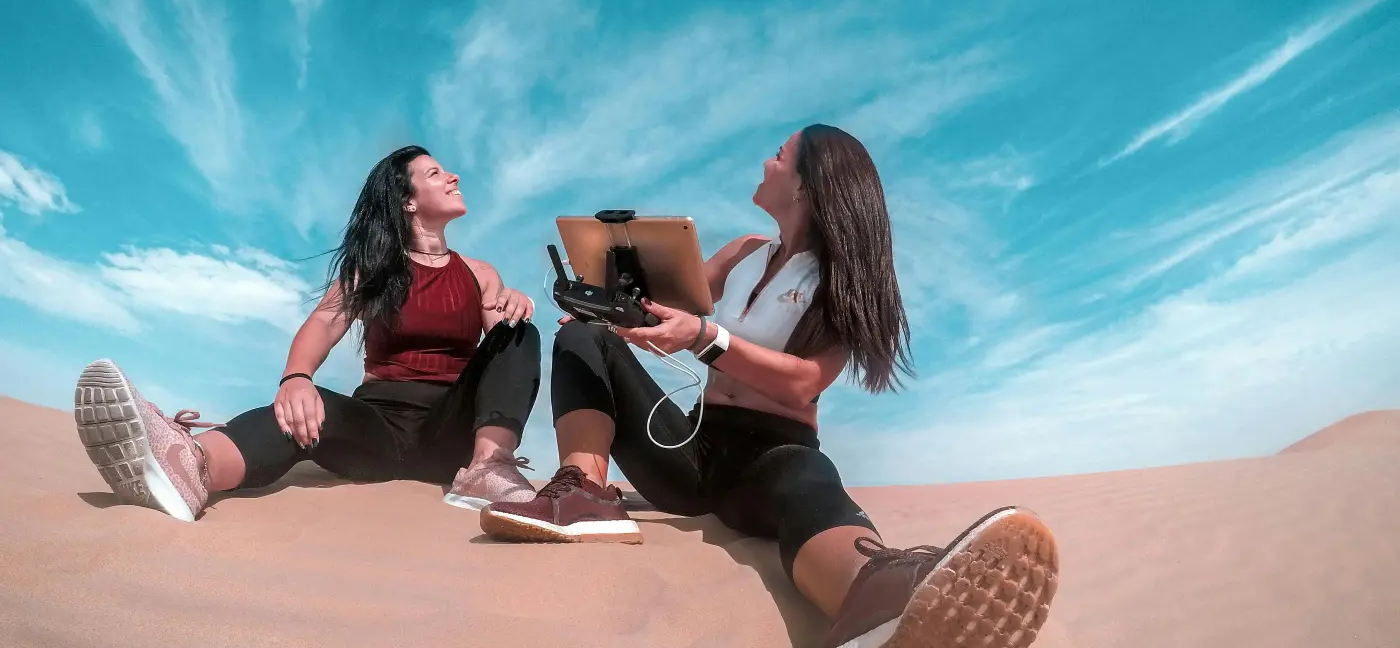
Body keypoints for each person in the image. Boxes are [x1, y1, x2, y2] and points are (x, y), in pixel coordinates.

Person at [478, 124, 1060, 648]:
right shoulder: (742, 253)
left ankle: (883, 595)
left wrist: (706, 339)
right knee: (583, 338)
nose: (765, 163)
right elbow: (666, 328)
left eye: (779, 156)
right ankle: (584, 491)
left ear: (807, 185)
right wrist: (609, 313)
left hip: (773, 454)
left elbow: (804, 386)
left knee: (809, 486)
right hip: (693, 447)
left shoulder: (839, 282)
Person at [73, 145, 544, 523]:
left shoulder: (480, 274)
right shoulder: (374, 269)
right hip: (377, 432)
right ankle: (191, 466)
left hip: (453, 435)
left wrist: (510, 308)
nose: (453, 177)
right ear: (407, 200)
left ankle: (490, 467)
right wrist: (295, 378)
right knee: (304, 409)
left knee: (522, 333)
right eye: (436, 173)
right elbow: (324, 321)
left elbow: (503, 359)